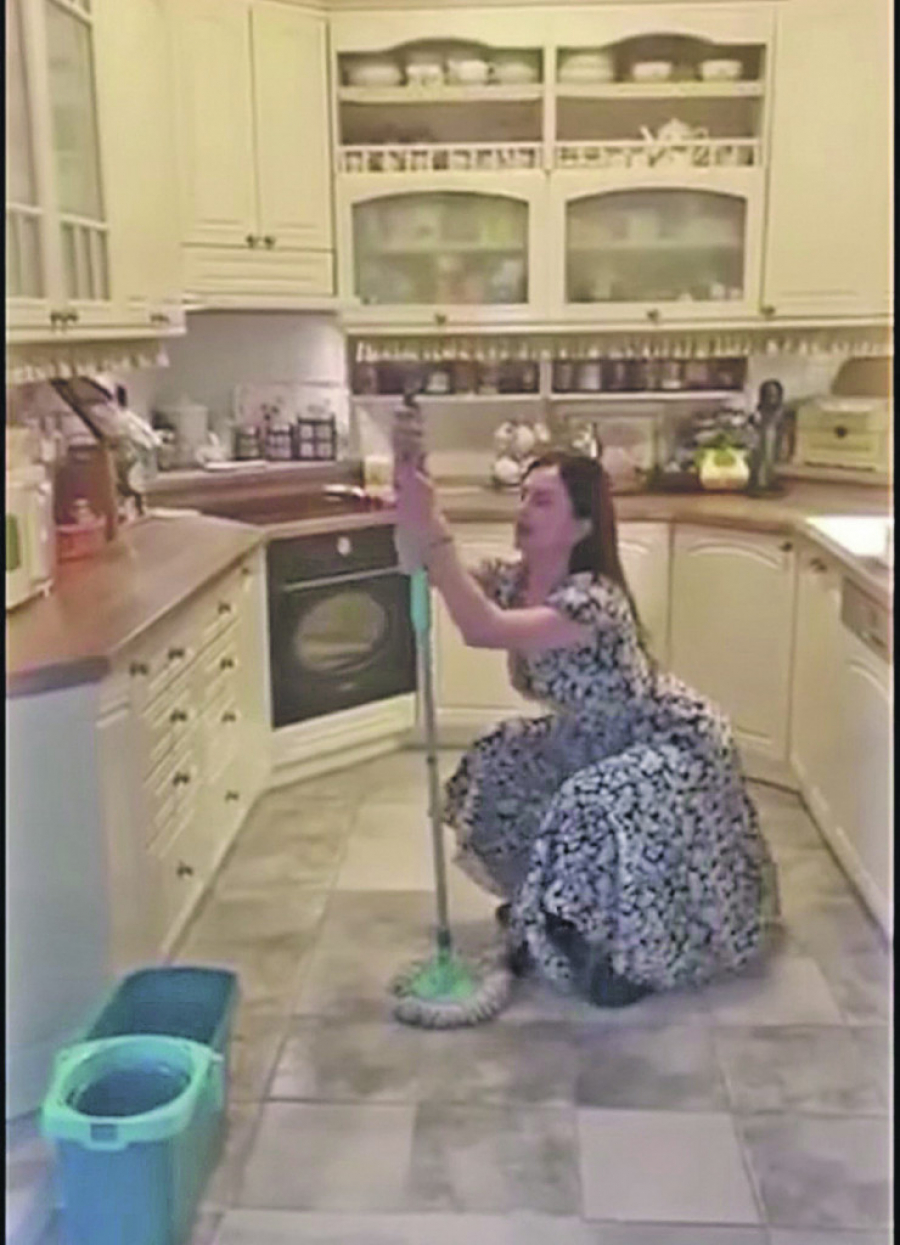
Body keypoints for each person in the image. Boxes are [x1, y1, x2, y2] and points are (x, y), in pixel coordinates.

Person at [392, 440, 779, 1008]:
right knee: (499, 759)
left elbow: (482, 627)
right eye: (524, 496)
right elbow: (443, 577)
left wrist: (438, 534)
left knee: (591, 801)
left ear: (581, 525)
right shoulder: (518, 579)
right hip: (591, 735)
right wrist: (414, 516)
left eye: (543, 501)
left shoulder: (593, 601)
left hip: (668, 742)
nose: (524, 510)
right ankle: (548, 909)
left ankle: (623, 960)